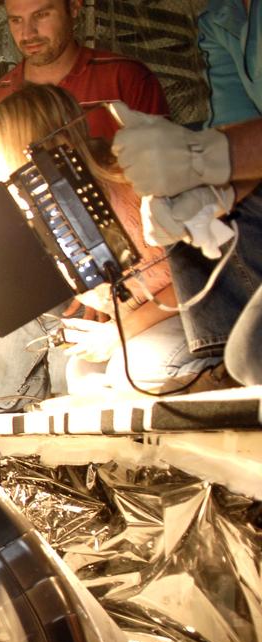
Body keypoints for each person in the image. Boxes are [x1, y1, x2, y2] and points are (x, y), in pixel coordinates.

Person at [0, 85, 212, 409]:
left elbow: (200, 278)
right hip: (134, 327)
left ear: (31, 147)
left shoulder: (134, 181)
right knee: (81, 377)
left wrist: (117, 334)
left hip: (199, 312)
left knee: (137, 371)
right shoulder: (36, 218)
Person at [110, 0, 262, 387]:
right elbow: (238, 130)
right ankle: (219, 358)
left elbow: (225, 150)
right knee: (243, 358)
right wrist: (208, 195)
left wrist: (201, 156)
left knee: (253, 356)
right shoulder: (221, 18)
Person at [0, 0, 168, 217]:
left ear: (74, 6)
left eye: (42, 14)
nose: (28, 33)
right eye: (16, 20)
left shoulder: (125, 80)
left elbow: (165, 175)